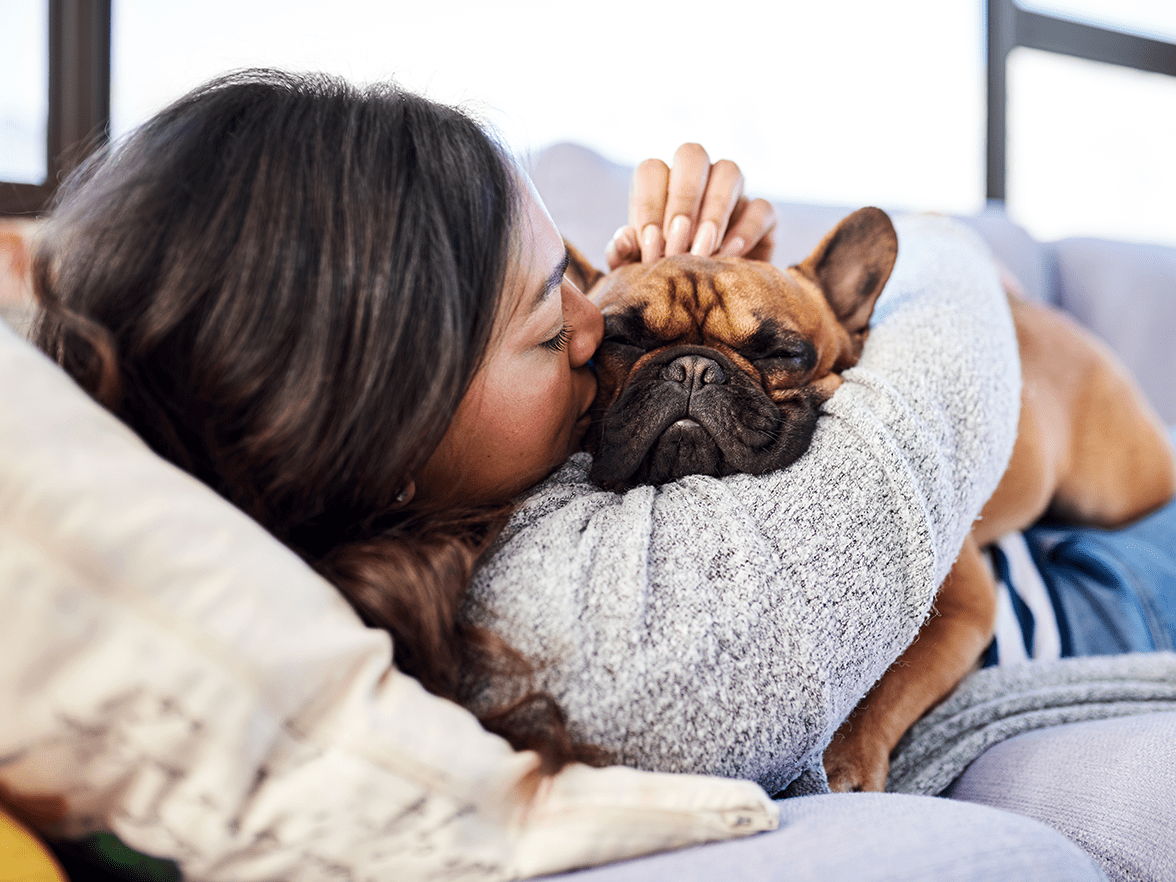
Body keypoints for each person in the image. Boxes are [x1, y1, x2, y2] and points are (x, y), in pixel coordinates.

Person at [21, 68, 1169, 880]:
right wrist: (844, 295)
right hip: (1074, 590)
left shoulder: (414, 515)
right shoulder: (620, 634)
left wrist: (659, 310)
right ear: (391, 411)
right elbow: (951, 301)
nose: (590, 325)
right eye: (550, 322)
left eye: (584, 294)